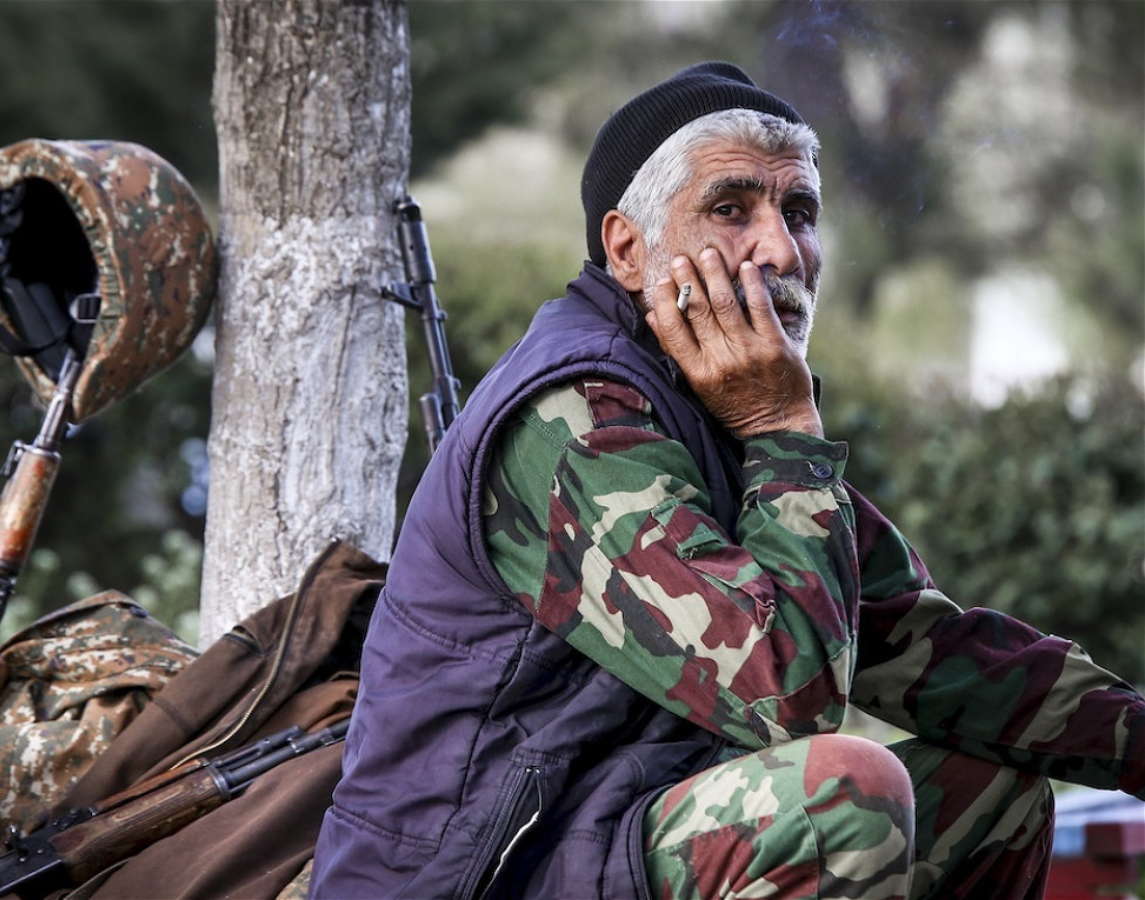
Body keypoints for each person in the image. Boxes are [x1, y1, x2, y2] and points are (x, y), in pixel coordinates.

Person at [310, 62, 1144, 900]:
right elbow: (790, 696)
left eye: (800, 213)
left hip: (612, 838)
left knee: (990, 789)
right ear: (628, 250)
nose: (782, 250)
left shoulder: (714, 401)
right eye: (731, 209)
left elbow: (933, 653)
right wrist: (785, 430)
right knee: (844, 794)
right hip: (487, 878)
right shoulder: (573, 416)